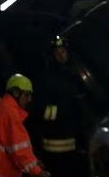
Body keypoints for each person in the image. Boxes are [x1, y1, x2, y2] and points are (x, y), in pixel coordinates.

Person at [35, 37, 90, 177]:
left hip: (71, 142)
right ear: (52, 56)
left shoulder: (74, 76)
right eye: (57, 52)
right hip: (56, 141)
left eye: (63, 51)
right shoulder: (49, 78)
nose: (61, 55)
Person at [0, 74, 48, 177]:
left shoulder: (1, 107)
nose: (30, 99)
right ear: (16, 93)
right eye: (27, 95)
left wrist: (34, 162)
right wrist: (37, 171)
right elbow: (19, 150)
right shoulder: (10, 115)